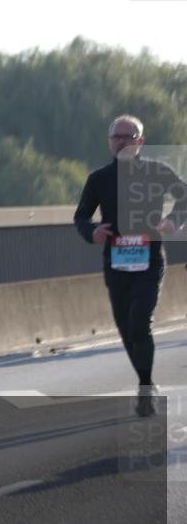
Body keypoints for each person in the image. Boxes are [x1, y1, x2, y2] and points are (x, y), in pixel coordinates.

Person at [74, 114, 187, 416]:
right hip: (116, 264)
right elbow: (81, 216)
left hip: (149, 261)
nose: (121, 141)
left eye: (127, 136)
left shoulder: (156, 171)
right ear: (109, 142)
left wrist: (172, 220)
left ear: (140, 141)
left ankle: (145, 389)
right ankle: (146, 384)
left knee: (139, 321)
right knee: (126, 329)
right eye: (116, 137)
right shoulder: (98, 179)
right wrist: (92, 232)